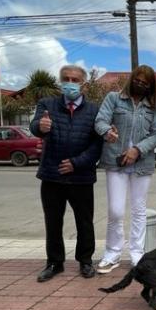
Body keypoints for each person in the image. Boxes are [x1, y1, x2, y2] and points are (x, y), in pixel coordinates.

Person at [29, 64, 103, 282]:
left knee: (85, 221)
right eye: (66, 79)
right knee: (53, 221)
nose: (70, 83)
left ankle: (86, 260)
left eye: (75, 80)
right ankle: (54, 262)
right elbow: (35, 126)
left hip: (81, 175)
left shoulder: (94, 110)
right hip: (52, 175)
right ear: (60, 81)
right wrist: (40, 127)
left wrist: (76, 163)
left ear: (84, 84)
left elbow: (97, 145)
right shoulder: (47, 105)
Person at [94, 65, 156, 273]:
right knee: (115, 210)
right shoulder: (114, 98)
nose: (140, 85)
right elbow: (100, 120)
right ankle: (112, 253)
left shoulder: (152, 107)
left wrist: (137, 150)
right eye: (137, 80)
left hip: (141, 164)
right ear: (131, 79)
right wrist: (107, 132)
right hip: (116, 162)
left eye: (145, 83)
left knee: (138, 210)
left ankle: (137, 254)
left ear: (150, 86)